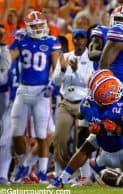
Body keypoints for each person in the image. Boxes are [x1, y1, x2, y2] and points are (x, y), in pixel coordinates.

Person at [47, 75, 123, 189]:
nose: (118, 89)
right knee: (85, 147)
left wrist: (117, 130)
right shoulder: (90, 105)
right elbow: (82, 115)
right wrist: (96, 126)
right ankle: (62, 179)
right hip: (111, 129)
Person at [9, 10, 61, 184]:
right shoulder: (22, 40)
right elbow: (8, 59)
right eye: (35, 26)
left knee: (42, 134)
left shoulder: (52, 42)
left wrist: (52, 84)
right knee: (16, 132)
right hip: (23, 90)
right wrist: (14, 43)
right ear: (28, 27)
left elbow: (57, 67)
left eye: (40, 25)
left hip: (41, 91)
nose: (38, 28)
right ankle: (23, 164)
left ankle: (42, 172)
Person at [52, 28, 95, 187]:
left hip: (83, 103)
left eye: (81, 38)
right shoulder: (65, 56)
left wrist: (76, 72)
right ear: (73, 40)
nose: (78, 41)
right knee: (59, 140)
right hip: (66, 101)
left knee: (82, 141)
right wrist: (63, 70)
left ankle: (85, 177)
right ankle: (60, 175)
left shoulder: (91, 59)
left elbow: (89, 82)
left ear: (86, 41)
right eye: (76, 38)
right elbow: (56, 81)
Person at [0, 23, 12, 185]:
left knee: (5, 137)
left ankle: (2, 174)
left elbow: (4, 76)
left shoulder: (6, 51)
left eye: (2, 35)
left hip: (4, 96)